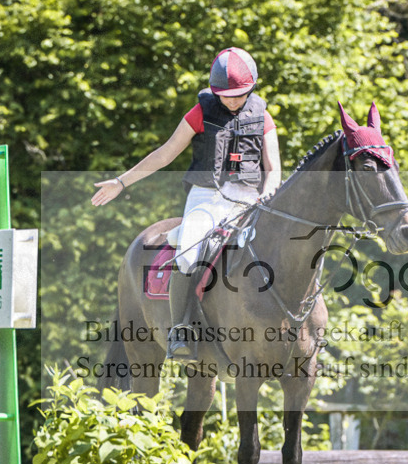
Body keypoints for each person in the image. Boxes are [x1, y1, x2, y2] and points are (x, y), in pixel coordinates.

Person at [92, 47, 282, 362]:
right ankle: (180, 329)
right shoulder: (199, 113)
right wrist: (121, 181)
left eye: (240, 94)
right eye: (226, 95)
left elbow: (273, 167)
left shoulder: (263, 116)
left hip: (249, 201)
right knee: (189, 248)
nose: (233, 100)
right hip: (206, 197)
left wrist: (269, 191)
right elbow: (165, 153)